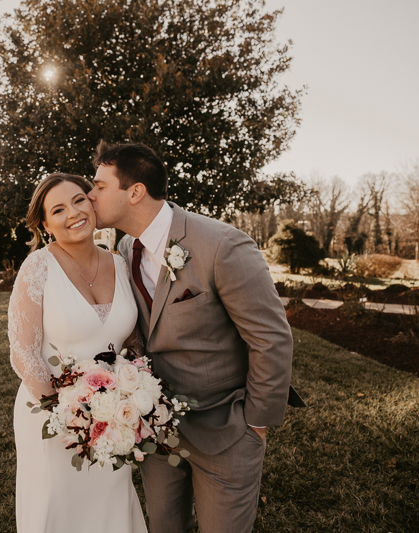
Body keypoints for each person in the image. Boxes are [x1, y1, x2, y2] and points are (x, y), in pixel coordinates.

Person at [87, 142, 305, 533]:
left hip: (226, 430)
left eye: (99, 186)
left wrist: (255, 425)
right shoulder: (123, 248)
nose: (90, 195)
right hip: (157, 431)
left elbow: (271, 338)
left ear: (134, 192)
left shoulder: (222, 245)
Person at [8, 173, 148, 533]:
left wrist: (131, 400)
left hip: (116, 418)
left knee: (111, 504)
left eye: (79, 201)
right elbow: (24, 351)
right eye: (58, 209)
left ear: (92, 202)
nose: (73, 213)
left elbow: (133, 344)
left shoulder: (120, 264)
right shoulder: (37, 268)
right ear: (45, 223)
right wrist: (71, 415)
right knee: (58, 507)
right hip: (52, 420)